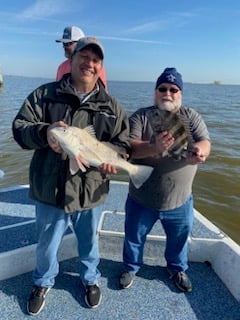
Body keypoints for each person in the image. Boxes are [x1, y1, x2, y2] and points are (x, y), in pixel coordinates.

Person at [12, 36, 130, 316]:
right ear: (72, 59)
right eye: (83, 57)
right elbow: (20, 129)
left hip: (91, 190)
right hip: (49, 189)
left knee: (89, 242)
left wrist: (113, 157)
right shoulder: (44, 95)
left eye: (95, 60)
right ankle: (43, 282)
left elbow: (123, 144)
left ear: (101, 67)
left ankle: (89, 280)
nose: (89, 63)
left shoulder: (112, 106)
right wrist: (45, 133)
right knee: (46, 244)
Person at [119, 67, 211, 293]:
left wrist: (199, 152)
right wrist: (153, 146)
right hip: (142, 198)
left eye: (173, 89)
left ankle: (177, 268)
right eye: (162, 88)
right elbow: (129, 147)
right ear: (155, 92)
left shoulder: (191, 116)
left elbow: (205, 142)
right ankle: (131, 267)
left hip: (180, 200)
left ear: (180, 94)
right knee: (133, 237)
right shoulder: (141, 115)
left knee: (179, 240)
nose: (167, 93)